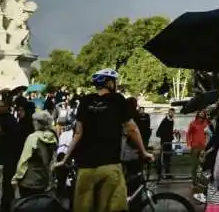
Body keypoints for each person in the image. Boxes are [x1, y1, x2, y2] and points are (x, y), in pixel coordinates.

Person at [55, 68, 153, 212]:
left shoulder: (85, 100)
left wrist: (65, 159)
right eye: (114, 81)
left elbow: (78, 134)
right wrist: (144, 152)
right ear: (109, 82)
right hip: (109, 165)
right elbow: (131, 129)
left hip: (86, 167)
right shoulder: (118, 100)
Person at [11, 110, 58, 198]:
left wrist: (16, 177)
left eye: (34, 121)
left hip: (29, 180)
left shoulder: (33, 138)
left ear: (38, 122)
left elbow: (24, 160)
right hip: (44, 179)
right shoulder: (52, 137)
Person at [186, 111, 210, 182]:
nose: (201, 118)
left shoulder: (207, 123)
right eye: (199, 117)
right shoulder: (192, 123)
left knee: (203, 164)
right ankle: (194, 181)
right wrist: (189, 144)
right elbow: (189, 134)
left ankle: (201, 180)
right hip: (195, 146)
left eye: (202, 117)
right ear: (197, 116)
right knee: (194, 165)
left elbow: (210, 133)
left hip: (204, 147)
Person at [156, 108, 176, 178]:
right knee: (163, 158)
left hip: (169, 142)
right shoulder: (165, 121)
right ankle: (160, 173)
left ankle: (167, 173)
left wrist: (172, 133)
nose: (171, 114)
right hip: (164, 142)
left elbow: (168, 131)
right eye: (170, 112)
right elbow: (158, 132)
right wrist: (168, 134)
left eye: (173, 112)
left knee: (168, 158)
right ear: (168, 113)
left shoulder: (172, 121)